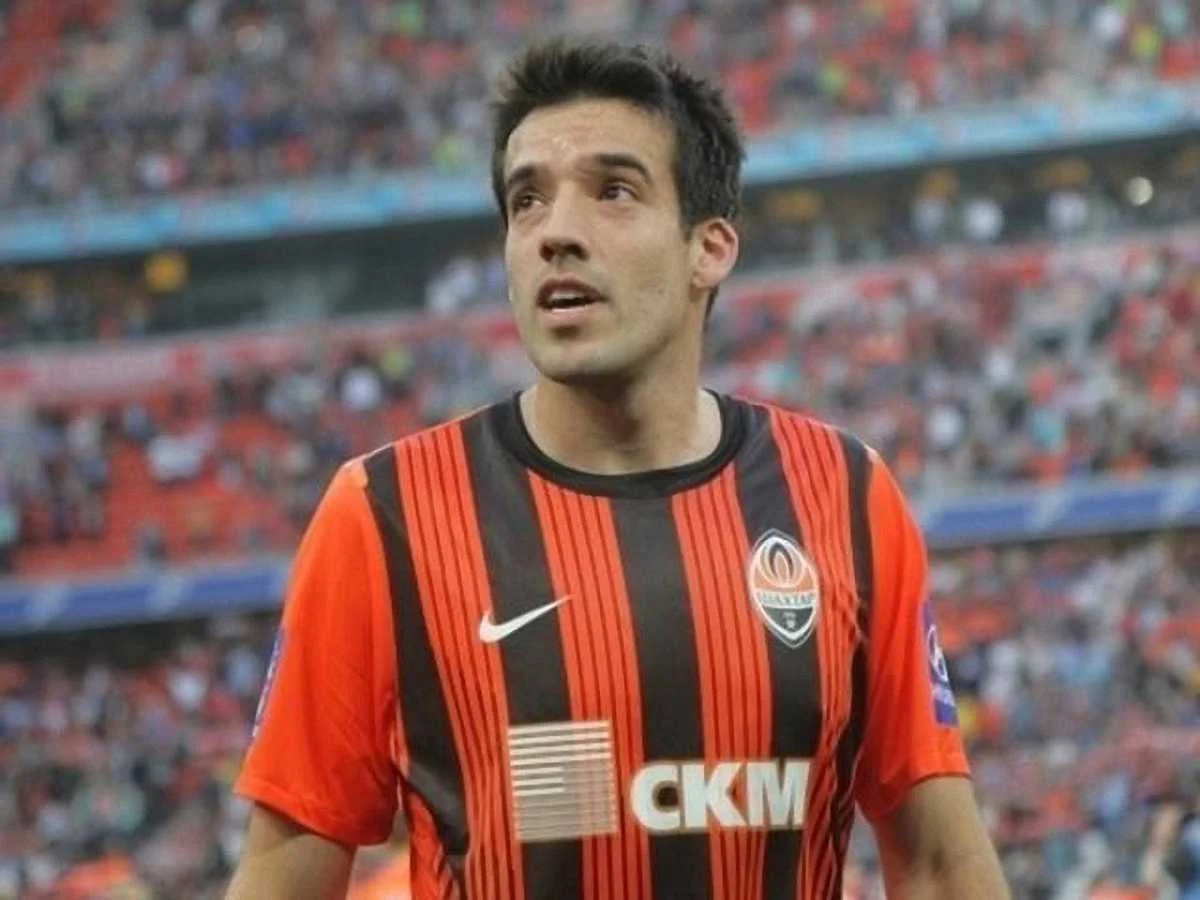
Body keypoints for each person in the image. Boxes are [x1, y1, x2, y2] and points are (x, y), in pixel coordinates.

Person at [226, 39, 1010, 900]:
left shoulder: (846, 495)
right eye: (527, 200)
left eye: (613, 191)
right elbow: (284, 878)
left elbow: (939, 865)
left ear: (709, 248)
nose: (555, 232)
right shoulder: (385, 514)